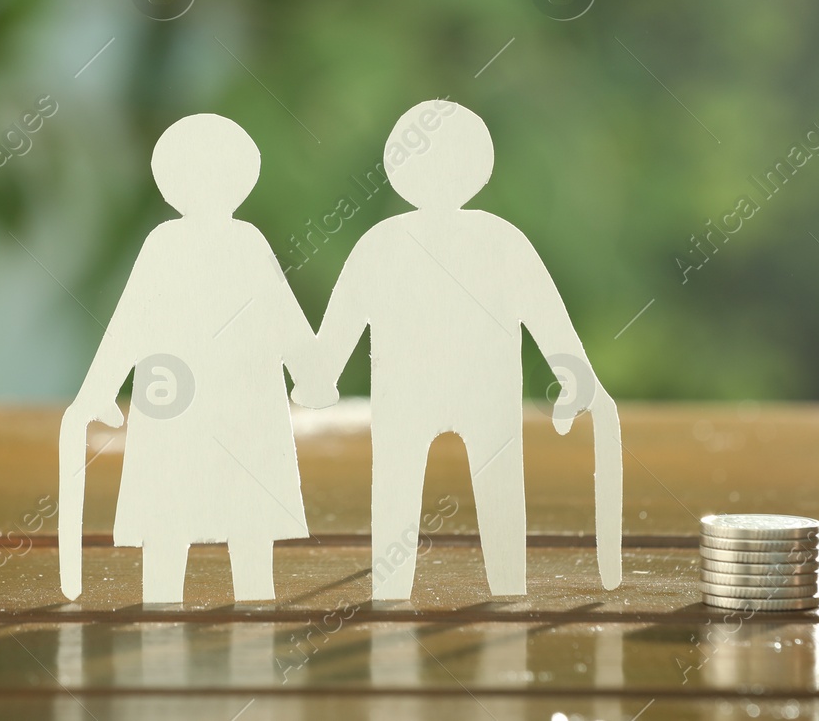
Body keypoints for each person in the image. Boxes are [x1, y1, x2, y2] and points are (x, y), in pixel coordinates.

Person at [307, 99, 620, 599]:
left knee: (398, 488)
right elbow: (548, 319)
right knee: (492, 491)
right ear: (482, 167)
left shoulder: (379, 243)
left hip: (410, 398)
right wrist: (574, 378)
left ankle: (395, 591)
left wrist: (314, 380)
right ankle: (505, 587)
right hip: (482, 395)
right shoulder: (501, 238)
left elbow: (332, 344)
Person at [58, 113, 322, 604]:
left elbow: (129, 325)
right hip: (216, 401)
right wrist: (312, 375)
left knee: (191, 516)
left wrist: (97, 389)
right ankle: (228, 607)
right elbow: (133, 321)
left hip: (187, 398)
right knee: (217, 517)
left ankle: (183, 605)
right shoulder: (224, 243)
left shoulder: (175, 244)